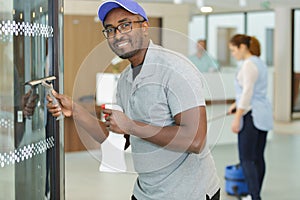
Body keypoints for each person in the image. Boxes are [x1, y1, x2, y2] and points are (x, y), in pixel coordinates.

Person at [46, 0, 220, 199]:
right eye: (110, 29)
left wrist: (130, 126)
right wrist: (75, 110)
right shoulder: (125, 80)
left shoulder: (176, 69)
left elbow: (195, 140)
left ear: (145, 27)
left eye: (125, 24)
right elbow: (116, 139)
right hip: (146, 192)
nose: (117, 34)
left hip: (189, 193)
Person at [227, 34, 273, 200]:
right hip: (263, 114)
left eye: (233, 50)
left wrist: (238, 116)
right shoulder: (260, 63)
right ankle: (255, 193)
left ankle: (254, 196)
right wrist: (235, 105)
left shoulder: (248, 65)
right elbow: (252, 92)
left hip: (251, 116)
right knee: (258, 157)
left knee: (246, 159)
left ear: (242, 47)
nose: (233, 54)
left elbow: (247, 92)